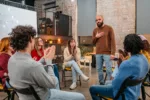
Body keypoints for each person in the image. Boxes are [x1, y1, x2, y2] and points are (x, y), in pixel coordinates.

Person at [8, 25, 85, 100]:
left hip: (25, 97)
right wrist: (49, 62)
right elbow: (52, 83)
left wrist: (44, 57)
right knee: (81, 97)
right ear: (30, 40)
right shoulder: (33, 66)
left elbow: (32, 65)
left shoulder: (12, 60)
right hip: (44, 96)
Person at [89, 34, 149, 100]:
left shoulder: (127, 63)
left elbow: (115, 84)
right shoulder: (145, 60)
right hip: (135, 94)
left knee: (92, 88)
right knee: (107, 83)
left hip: (123, 96)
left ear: (127, 47)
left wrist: (121, 64)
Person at [92, 15, 116, 84]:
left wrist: (113, 53)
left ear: (103, 19)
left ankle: (110, 84)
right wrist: (96, 37)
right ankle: (101, 84)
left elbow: (113, 41)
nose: (98, 21)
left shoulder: (109, 28)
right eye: (96, 20)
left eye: (99, 19)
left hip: (107, 53)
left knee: (109, 70)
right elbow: (93, 42)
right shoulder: (95, 30)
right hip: (98, 53)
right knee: (99, 69)